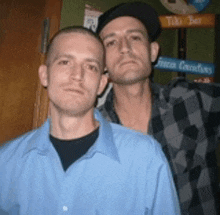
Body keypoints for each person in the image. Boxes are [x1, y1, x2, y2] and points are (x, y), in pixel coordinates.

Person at [0, 26, 180, 215]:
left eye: (91, 66)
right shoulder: (6, 162)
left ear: (101, 84)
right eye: (65, 62)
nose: (77, 75)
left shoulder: (146, 158)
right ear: (45, 75)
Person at [96, 2, 220, 215]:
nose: (124, 47)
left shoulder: (192, 100)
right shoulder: (91, 134)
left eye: (135, 37)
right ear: (102, 63)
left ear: (153, 52)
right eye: (111, 42)